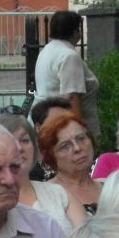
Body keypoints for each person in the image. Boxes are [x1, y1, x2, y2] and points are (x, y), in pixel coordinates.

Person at [0, 112, 84, 230]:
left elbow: (88, 236)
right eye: (9, 141)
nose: (19, 148)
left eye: (24, 140)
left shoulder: (58, 194)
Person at [34, 10, 100, 141]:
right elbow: (71, 96)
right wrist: (80, 131)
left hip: (48, 122)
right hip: (65, 127)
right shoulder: (69, 56)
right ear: (75, 32)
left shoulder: (46, 51)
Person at [39, 112, 102, 215]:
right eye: (65, 146)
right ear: (50, 156)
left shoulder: (110, 187)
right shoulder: (45, 196)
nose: (77, 148)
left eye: (81, 138)